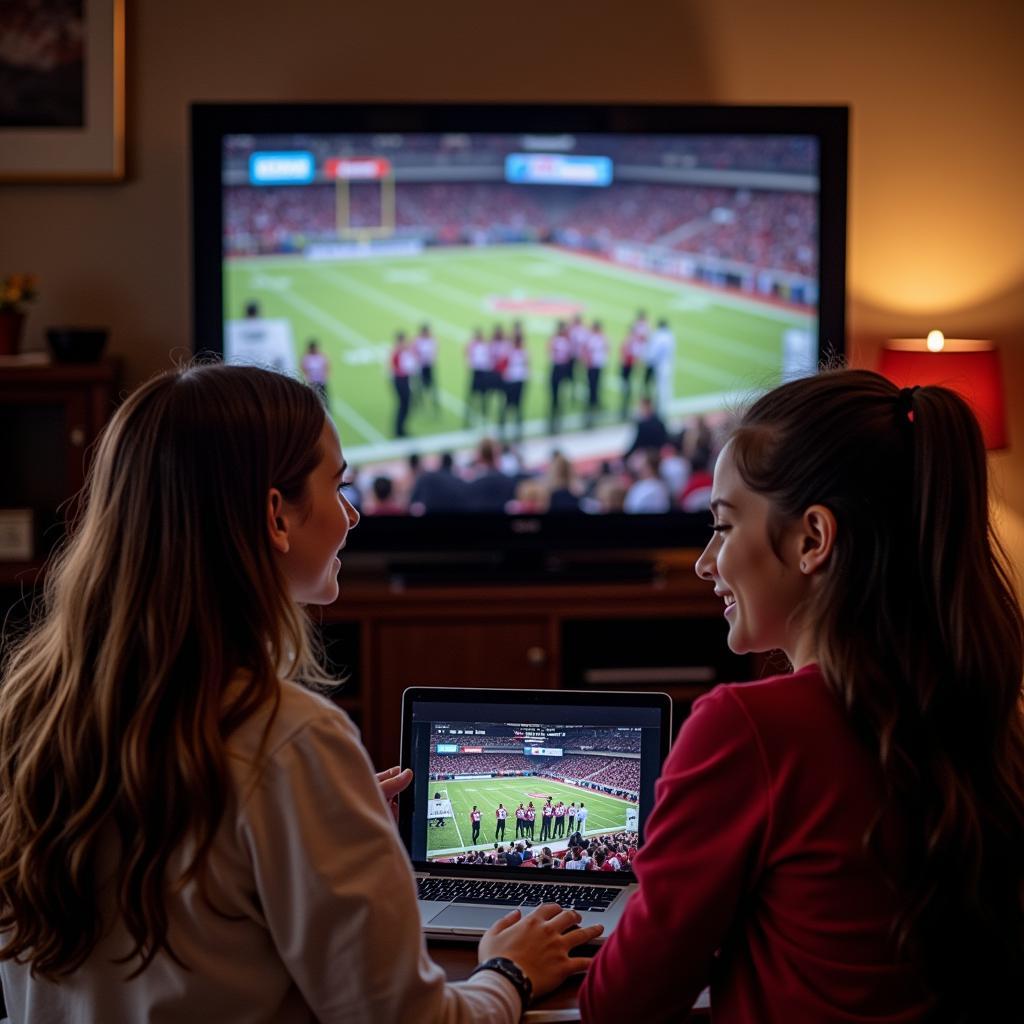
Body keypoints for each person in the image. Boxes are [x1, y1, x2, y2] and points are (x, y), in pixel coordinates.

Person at [0, 363, 603, 1023]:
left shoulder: (32, 709)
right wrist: (509, 973)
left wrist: (322, 821)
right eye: (338, 484)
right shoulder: (287, 738)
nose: (351, 514)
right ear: (275, 514)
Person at [581, 369, 1024, 1023]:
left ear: (813, 539)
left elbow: (619, 1005)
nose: (706, 561)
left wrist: (507, 964)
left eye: (725, 527)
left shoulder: (749, 729)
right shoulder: (985, 714)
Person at [390, 329, 418, 438]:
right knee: (403, 404)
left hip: (404, 379)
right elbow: (399, 367)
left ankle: (401, 428)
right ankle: (399, 429)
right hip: (400, 380)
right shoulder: (397, 351)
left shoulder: (403, 351)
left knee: (405, 405)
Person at [300, 340, 330, 404]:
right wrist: (308, 378)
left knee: (325, 400)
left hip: (321, 382)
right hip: (312, 382)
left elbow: (327, 367)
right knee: (313, 400)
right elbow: (303, 369)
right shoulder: (306, 358)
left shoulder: (321, 356)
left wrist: (325, 376)